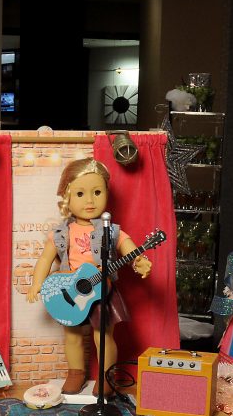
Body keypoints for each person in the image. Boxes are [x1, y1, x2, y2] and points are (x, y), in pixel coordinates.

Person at [27, 158, 151, 397]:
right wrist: (36, 283)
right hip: (71, 292)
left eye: (97, 192)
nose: (90, 201)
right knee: (72, 336)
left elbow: (128, 247)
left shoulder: (110, 230)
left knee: (102, 336)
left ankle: (107, 375)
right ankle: (75, 372)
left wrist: (140, 260)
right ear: (67, 197)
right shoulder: (62, 232)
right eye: (81, 193)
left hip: (102, 292)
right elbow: (45, 259)